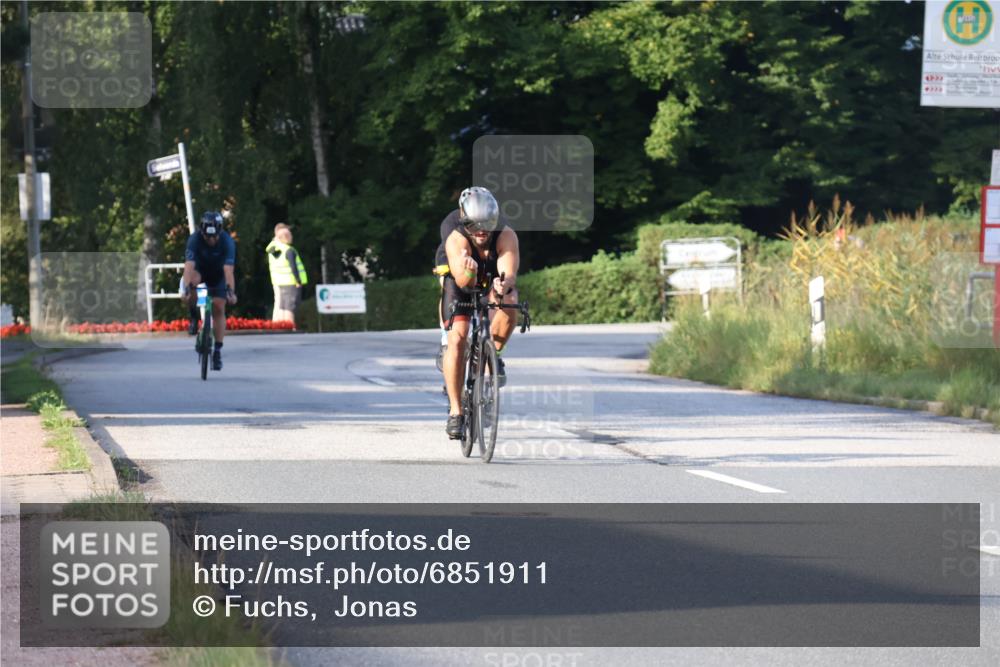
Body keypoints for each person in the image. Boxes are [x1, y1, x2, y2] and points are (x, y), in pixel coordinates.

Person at [439, 186, 520, 439]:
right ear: (465, 221)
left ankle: (493, 353)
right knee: (458, 338)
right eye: (476, 226)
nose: (482, 231)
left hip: (490, 272)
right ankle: (456, 411)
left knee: (509, 300)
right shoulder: (455, 234)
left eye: (488, 225)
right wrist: (470, 270)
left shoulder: (505, 233)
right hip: (460, 274)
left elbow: (508, 272)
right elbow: (463, 282)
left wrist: (501, 285)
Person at [182, 212, 237, 370]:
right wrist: (186, 287)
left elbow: (228, 271)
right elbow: (189, 266)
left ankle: (218, 351)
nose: (211, 240)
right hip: (200, 271)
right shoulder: (194, 239)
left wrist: (230, 292)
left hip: (219, 274)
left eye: (214, 237)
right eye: (207, 237)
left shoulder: (227, 242)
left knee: (219, 306)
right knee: (191, 283)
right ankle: (193, 317)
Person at [266, 223, 308, 329]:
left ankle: (282, 327)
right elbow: (293, 267)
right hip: (290, 282)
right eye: (290, 235)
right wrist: (298, 280)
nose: (292, 237)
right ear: (286, 237)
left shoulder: (274, 249)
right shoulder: (289, 250)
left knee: (282, 306)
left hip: (279, 282)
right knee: (290, 307)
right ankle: (290, 327)